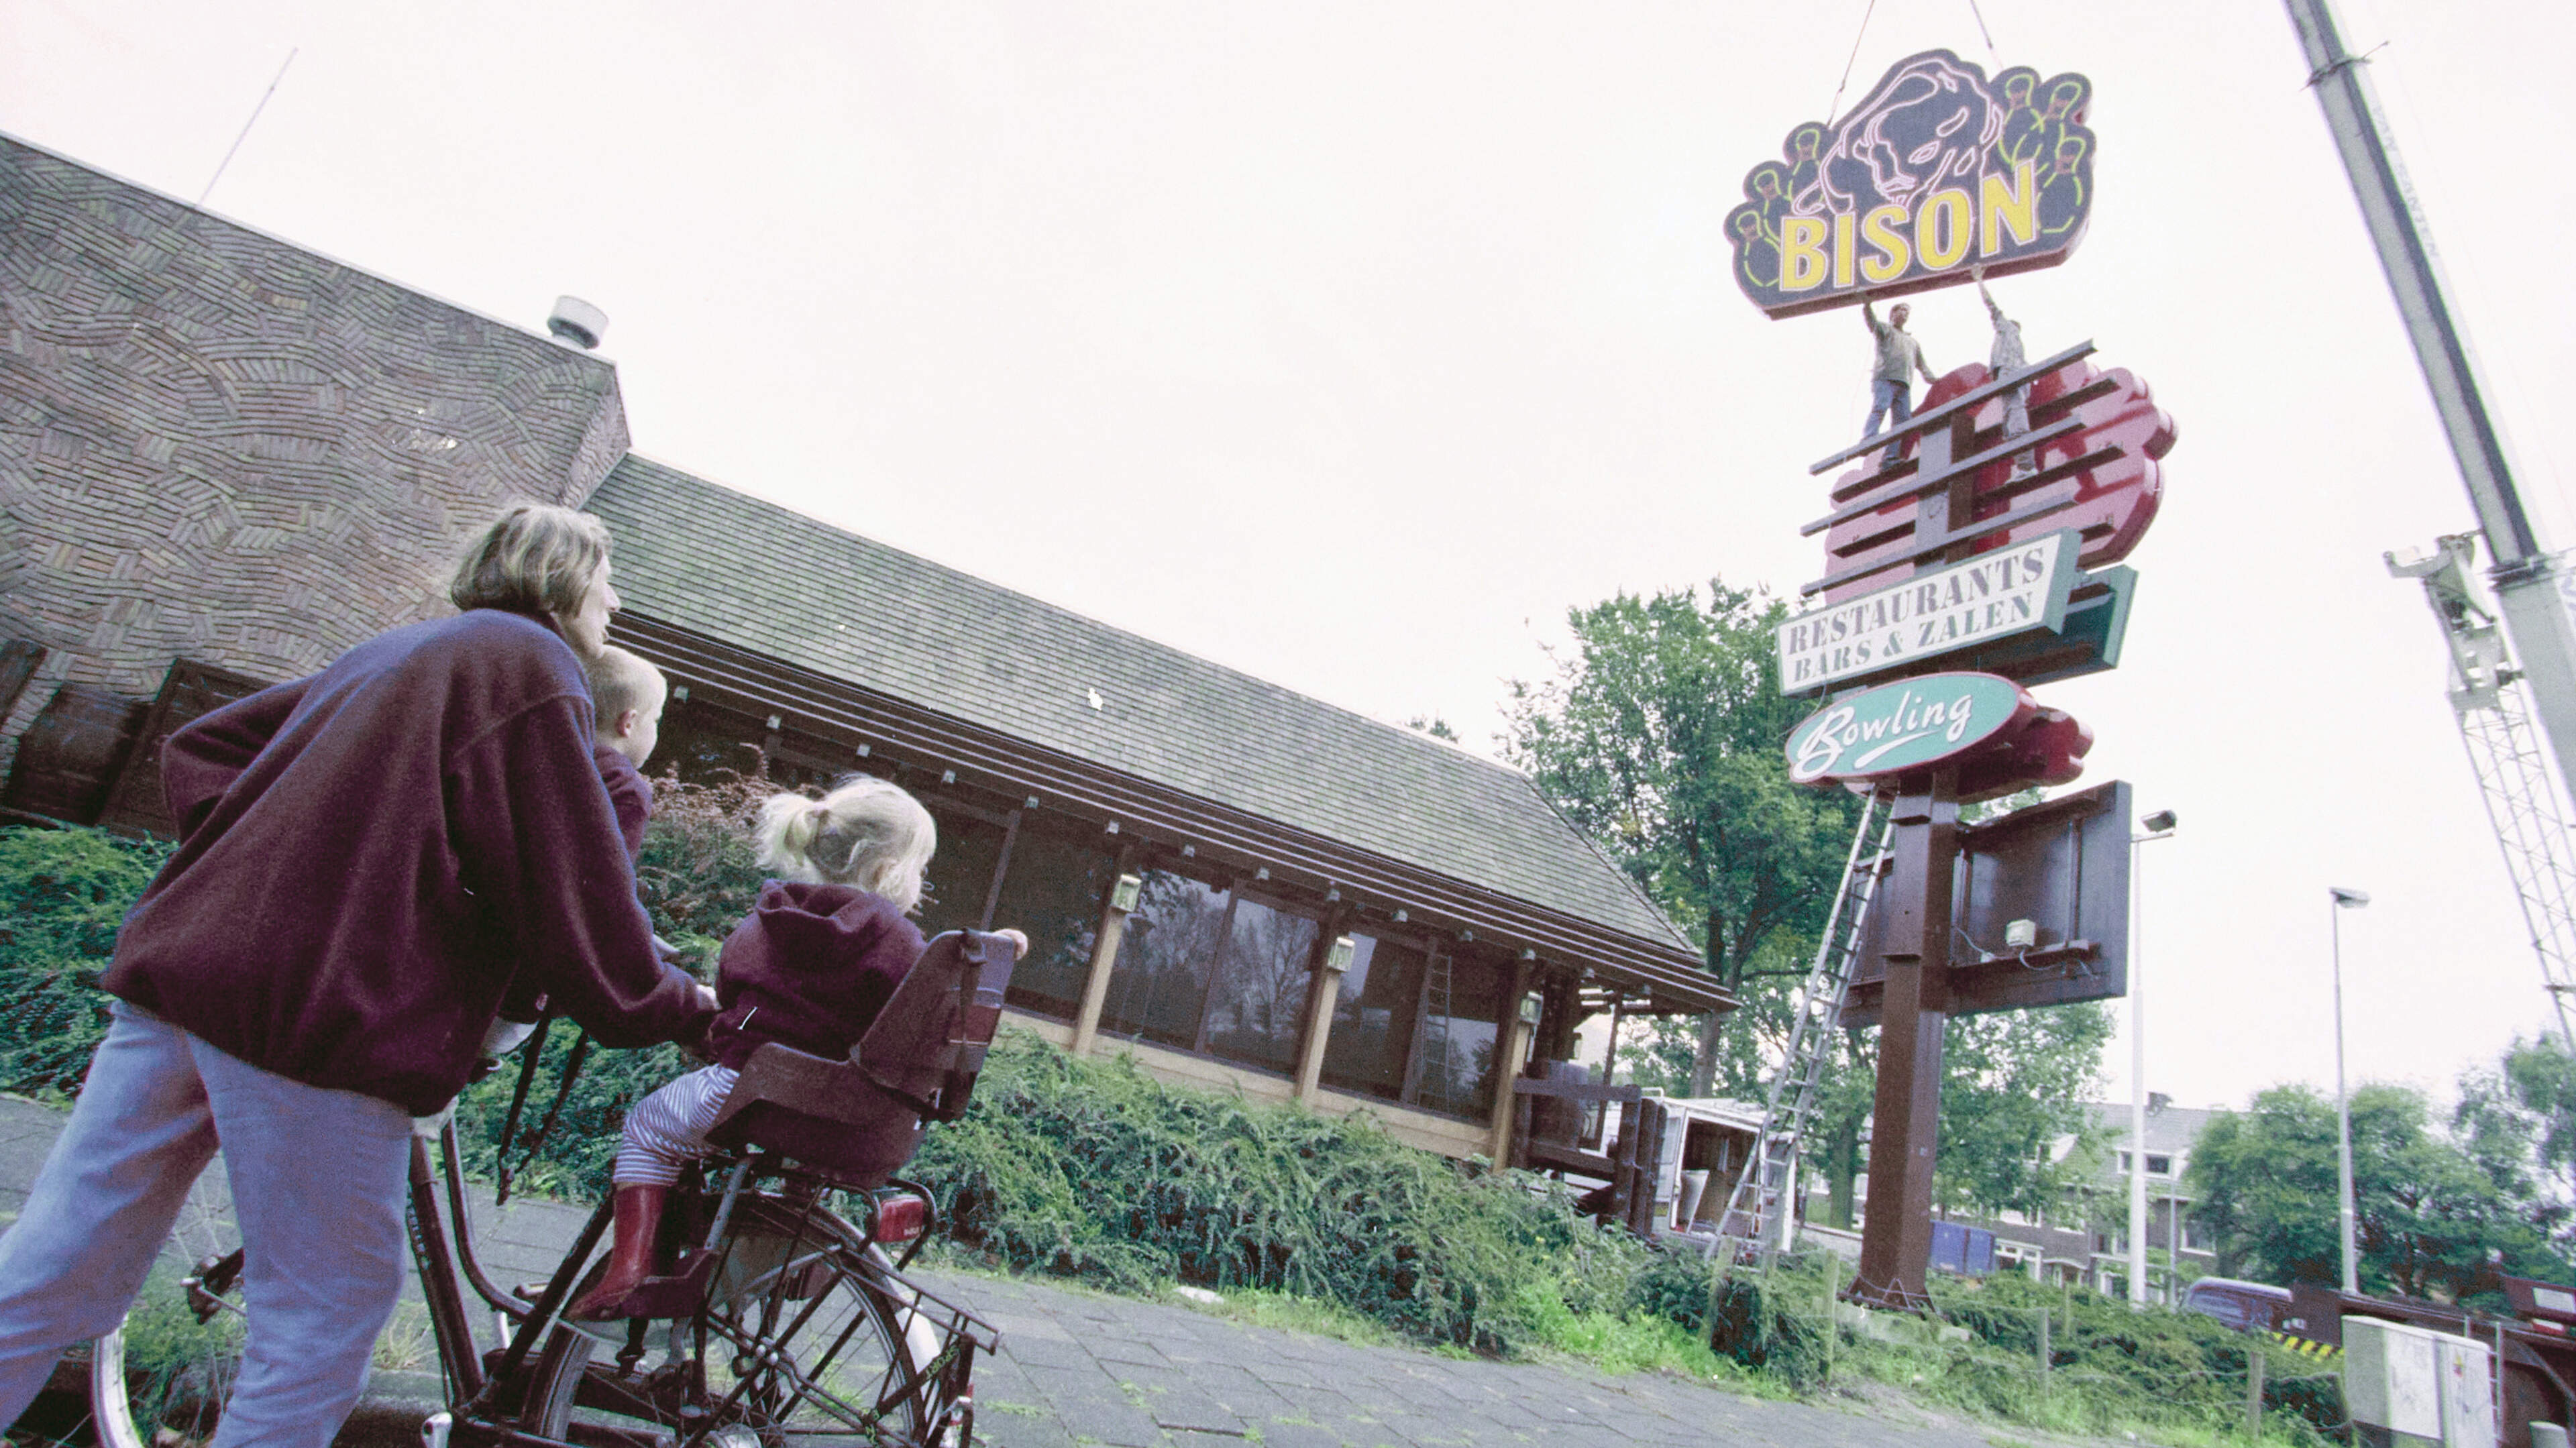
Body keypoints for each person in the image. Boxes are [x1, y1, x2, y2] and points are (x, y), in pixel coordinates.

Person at [0, 503, 716, 1446]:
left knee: (59, 1263)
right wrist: (671, 1002)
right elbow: (566, 875)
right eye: (609, 581)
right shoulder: (529, 665)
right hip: (310, 1027)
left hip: (185, 982)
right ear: (565, 579)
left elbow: (209, 745)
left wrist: (272, 868)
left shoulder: (402, 648)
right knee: (323, 1314)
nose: (615, 602)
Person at [568, 775, 1023, 1321]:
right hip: (847, 1115)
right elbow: (918, 1016)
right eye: (920, 868)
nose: (921, 881)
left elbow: (732, 991)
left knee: (649, 1126)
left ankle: (629, 1272)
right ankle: (733, 1283)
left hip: (749, 1099)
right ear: (885, 872)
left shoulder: (765, 922)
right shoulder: (902, 943)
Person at [586, 643, 668, 861]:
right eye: (655, 719)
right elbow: (611, 880)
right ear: (629, 723)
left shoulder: (547, 752)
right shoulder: (626, 790)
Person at [1861, 298, 1935, 465]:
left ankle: (1890, 458)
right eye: (1901, 310)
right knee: (1880, 407)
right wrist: (1867, 306)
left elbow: (1923, 367)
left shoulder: (1912, 342)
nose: (1904, 314)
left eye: (1906, 312)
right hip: (1885, 378)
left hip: (1904, 384)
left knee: (1902, 421)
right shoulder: (1886, 330)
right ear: (1893, 314)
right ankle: (1869, 438)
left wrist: (1936, 381)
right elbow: (1871, 321)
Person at [1978, 272, 2037, 480]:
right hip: (2014, 376)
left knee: (2015, 421)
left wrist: (1979, 280)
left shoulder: (2005, 328)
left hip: (2009, 374)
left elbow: (1992, 306)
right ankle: (2024, 466)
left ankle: (2027, 467)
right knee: (2011, 420)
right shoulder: (2019, 349)